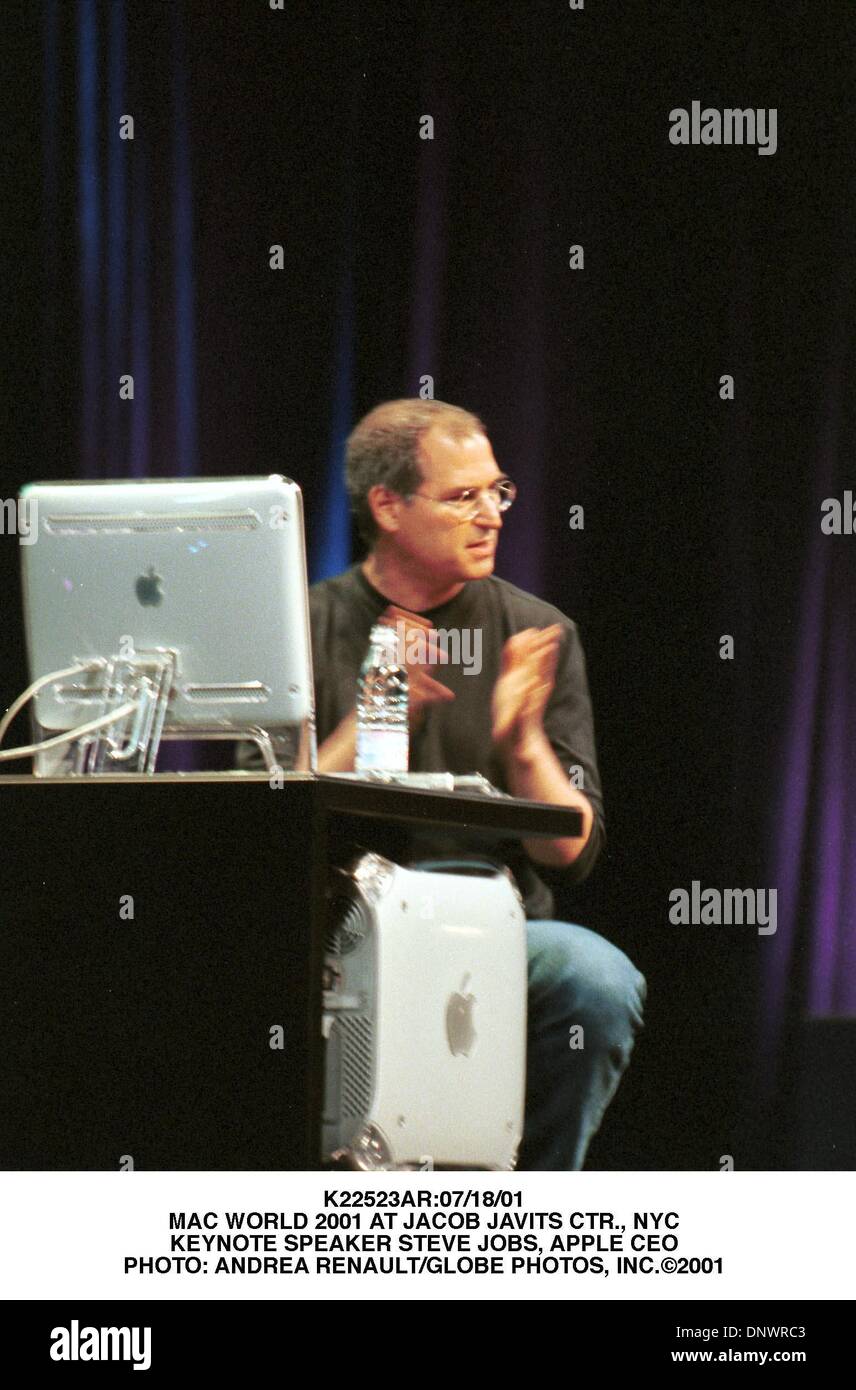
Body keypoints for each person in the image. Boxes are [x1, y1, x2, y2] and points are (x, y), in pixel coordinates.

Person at [309, 398, 646, 1169]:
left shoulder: (537, 634)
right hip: (340, 928)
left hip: (490, 928)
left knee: (593, 976)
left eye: (499, 491)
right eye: (463, 496)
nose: (491, 514)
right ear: (388, 506)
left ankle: (528, 1212)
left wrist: (523, 742)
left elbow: (572, 853)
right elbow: (268, 817)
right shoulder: (313, 622)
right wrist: (372, 714)